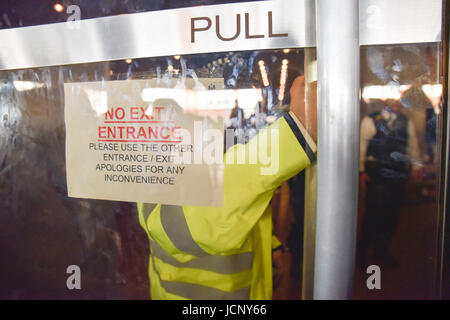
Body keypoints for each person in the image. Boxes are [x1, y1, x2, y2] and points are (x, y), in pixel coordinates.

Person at [137, 75, 317, 300]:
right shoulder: (152, 176)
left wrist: (272, 245)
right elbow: (191, 220)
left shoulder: (199, 161)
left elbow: (237, 206)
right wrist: (297, 133)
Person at [358, 97, 421, 267]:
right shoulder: (371, 120)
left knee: (392, 215)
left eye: (398, 100)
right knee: (372, 214)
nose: (395, 103)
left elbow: (412, 145)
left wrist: (415, 168)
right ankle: (362, 254)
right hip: (376, 173)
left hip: (397, 174)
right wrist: (362, 171)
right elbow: (362, 146)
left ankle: (382, 252)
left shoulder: (405, 122)